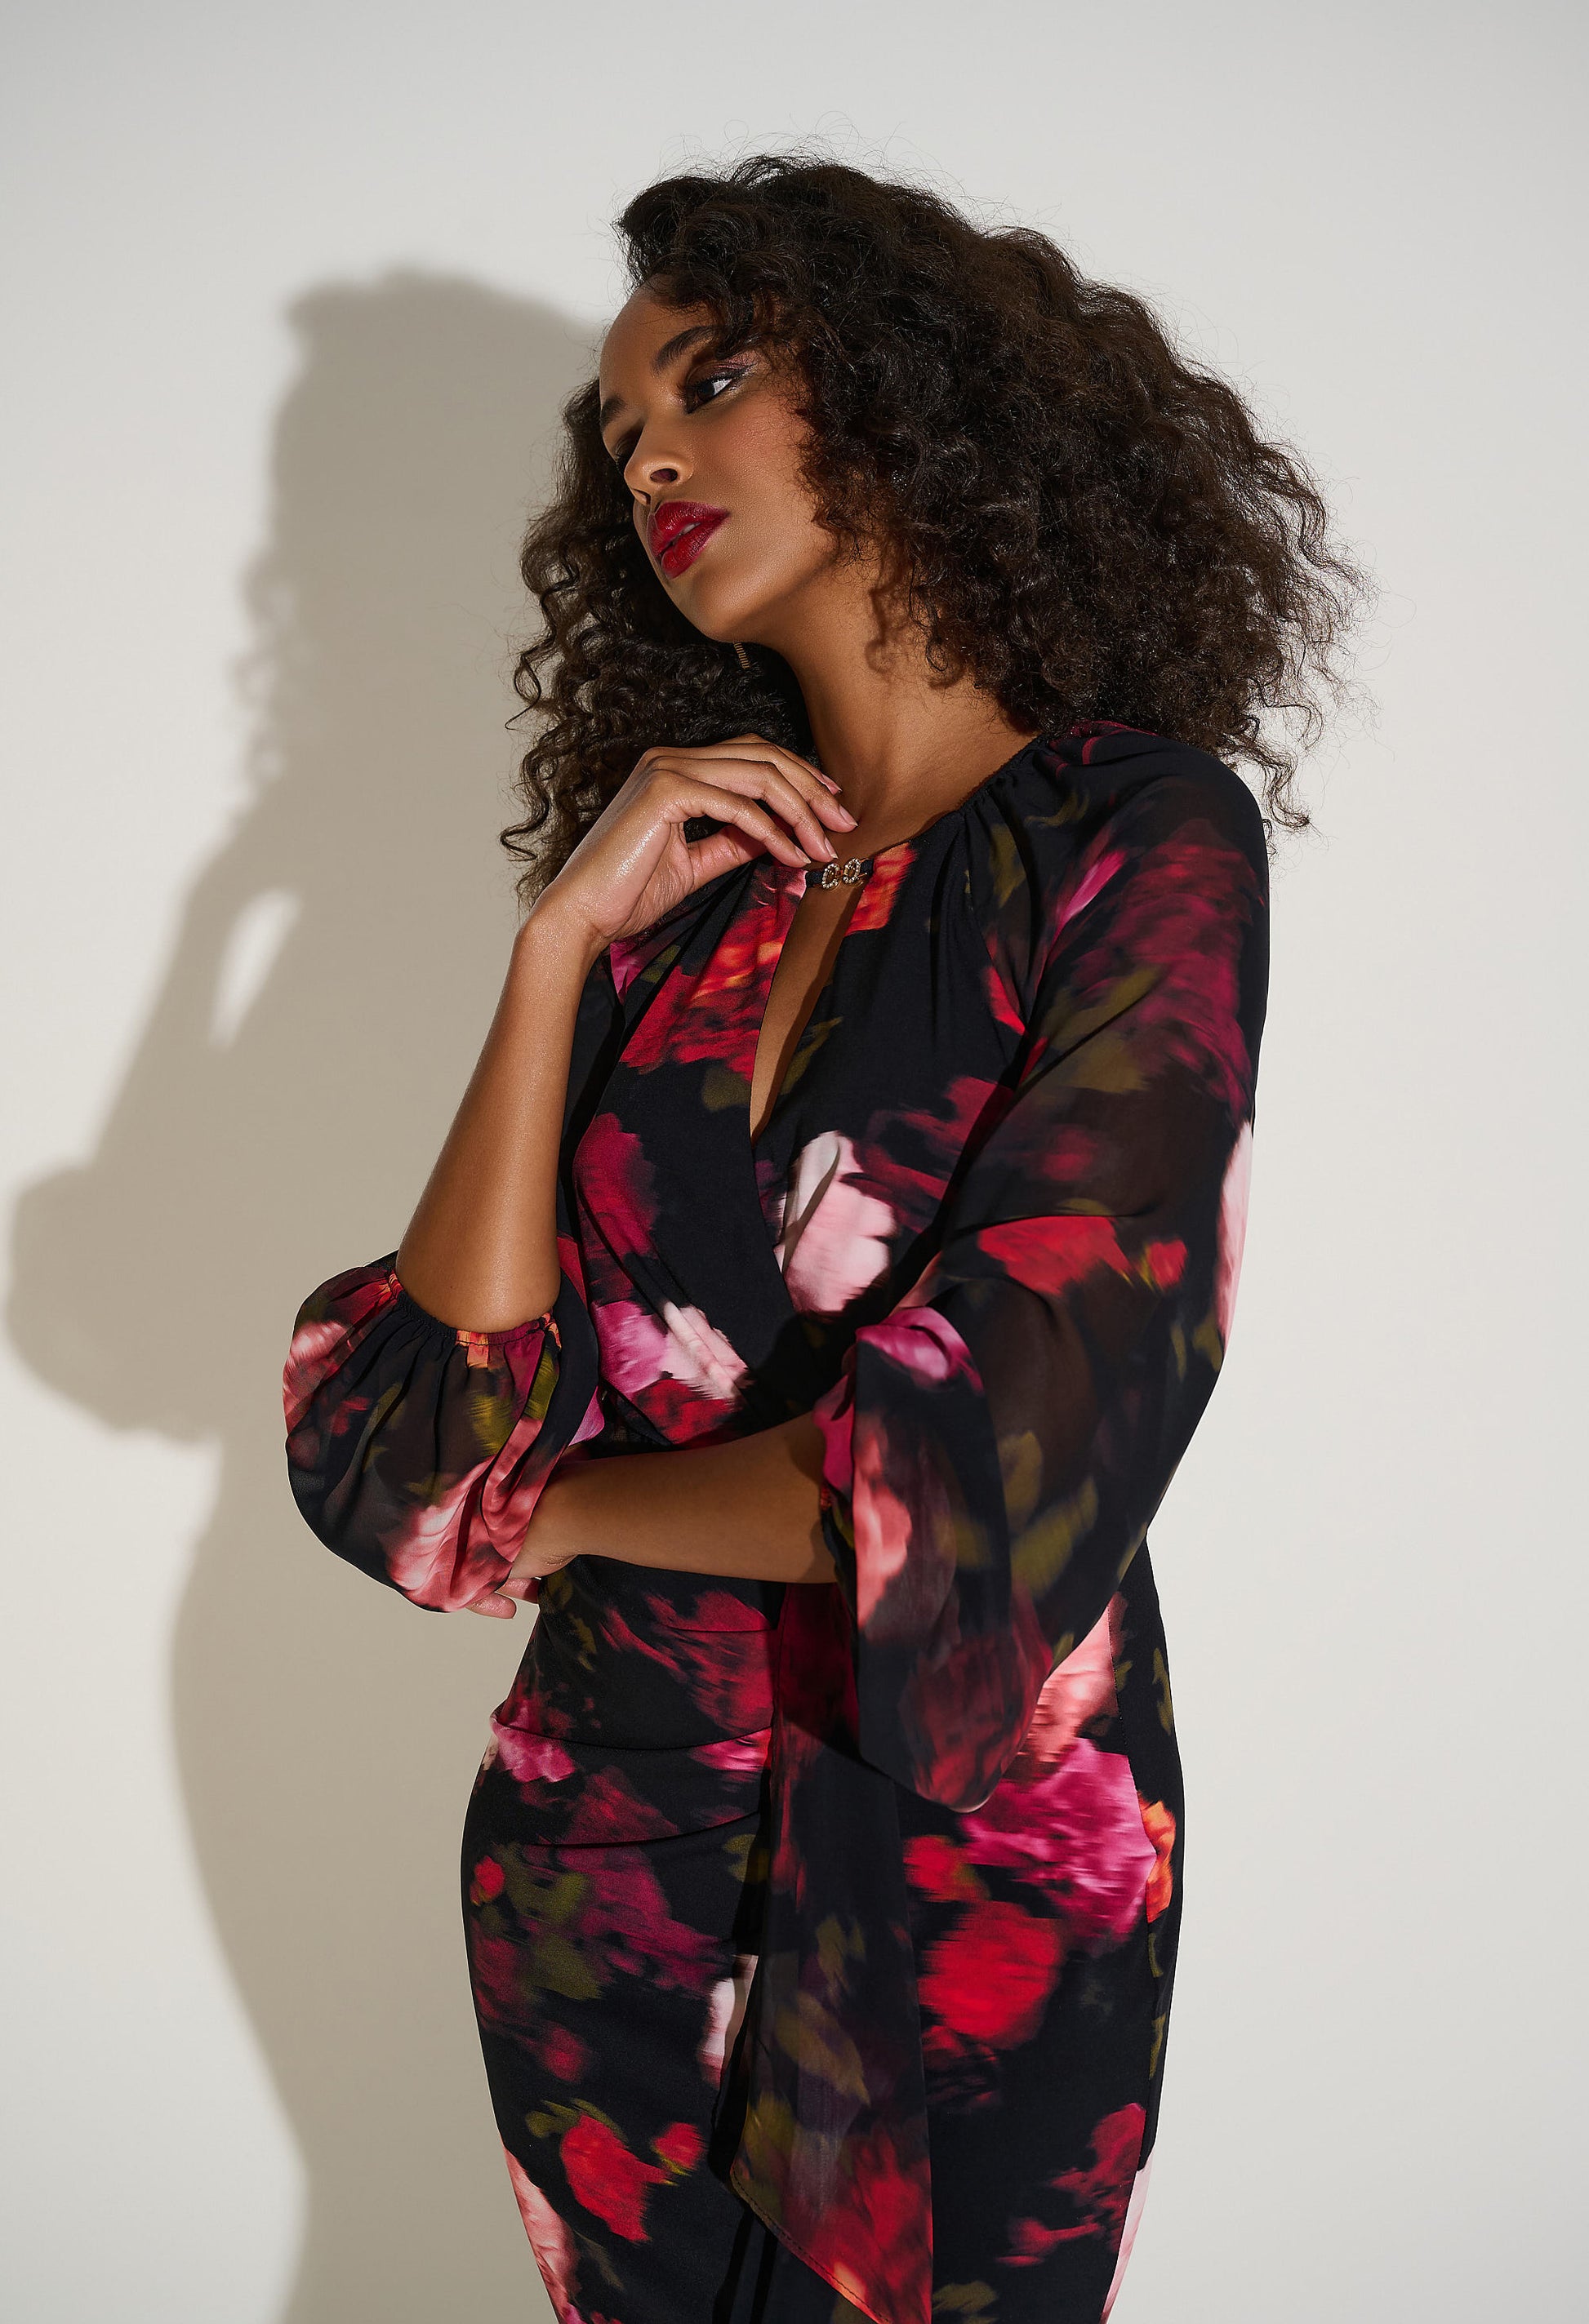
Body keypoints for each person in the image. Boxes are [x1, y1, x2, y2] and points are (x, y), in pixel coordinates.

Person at [283, 155, 1357, 2324]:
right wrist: (554, 949)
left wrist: (570, 1508)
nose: (650, 460)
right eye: (619, 435)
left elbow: (1002, 1457)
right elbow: (413, 1460)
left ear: (906, 394)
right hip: (609, 1865)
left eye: (711, 381)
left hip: (964, 1870)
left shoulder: (1136, 836)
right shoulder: (680, 919)